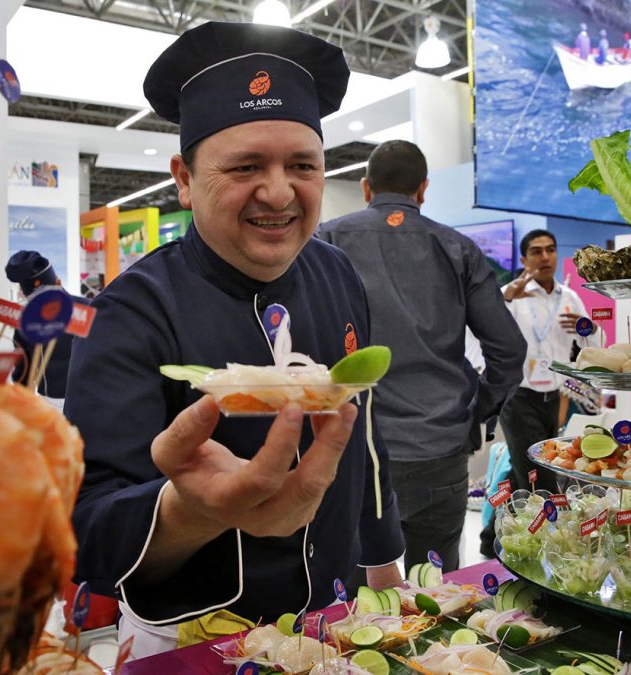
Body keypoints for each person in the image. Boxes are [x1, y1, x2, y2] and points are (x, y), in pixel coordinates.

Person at [64, 22, 404, 659]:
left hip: (335, 621)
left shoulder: (337, 275)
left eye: (302, 165)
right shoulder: (129, 311)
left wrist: (385, 560)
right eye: (246, 166)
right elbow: (86, 528)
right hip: (192, 638)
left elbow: (364, 435)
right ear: (184, 179)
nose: (279, 192)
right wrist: (198, 509)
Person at [317, 140, 525, 573]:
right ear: (423, 189)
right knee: (438, 589)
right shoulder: (459, 249)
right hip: (439, 446)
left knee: (353, 596)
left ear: (365, 188)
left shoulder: (326, 241)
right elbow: (509, 350)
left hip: (351, 449)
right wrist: (477, 414)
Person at [479, 230, 586, 557]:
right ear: (524, 260)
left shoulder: (570, 298)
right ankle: (539, 550)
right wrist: (507, 297)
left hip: (555, 397)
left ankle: (490, 538)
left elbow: (590, 344)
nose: (545, 257)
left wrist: (586, 330)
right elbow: (484, 327)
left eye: (551, 250)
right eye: (536, 252)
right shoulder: (510, 296)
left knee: (523, 470)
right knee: (538, 474)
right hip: (519, 396)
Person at [5, 250, 77, 408]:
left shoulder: (26, 323)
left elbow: (23, 374)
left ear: (24, 294)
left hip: (51, 406)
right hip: (91, 402)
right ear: (58, 282)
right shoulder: (88, 309)